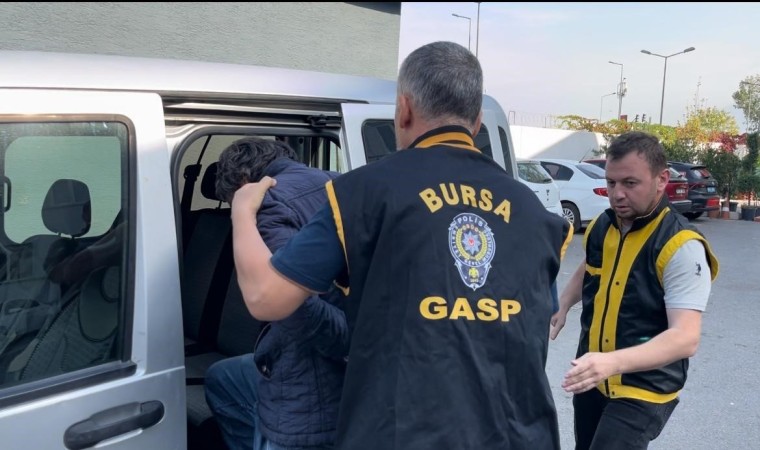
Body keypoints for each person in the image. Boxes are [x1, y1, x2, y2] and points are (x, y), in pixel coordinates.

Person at [228, 41, 573, 449]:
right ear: (477, 121)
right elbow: (535, 322)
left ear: (404, 109)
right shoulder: (535, 213)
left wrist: (242, 211)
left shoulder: (362, 193)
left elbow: (265, 298)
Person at [550, 131, 719, 450]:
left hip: (644, 389)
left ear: (661, 180)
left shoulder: (681, 246)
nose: (617, 194)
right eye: (611, 182)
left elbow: (686, 337)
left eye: (630, 183)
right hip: (594, 377)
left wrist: (612, 362)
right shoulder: (603, 225)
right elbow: (590, 265)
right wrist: (564, 303)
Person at [204, 137, 349, 450]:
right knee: (222, 378)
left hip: (311, 396)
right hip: (369, 374)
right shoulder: (344, 184)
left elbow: (288, 306)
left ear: (243, 183)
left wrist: (350, 341)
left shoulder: (268, 201)